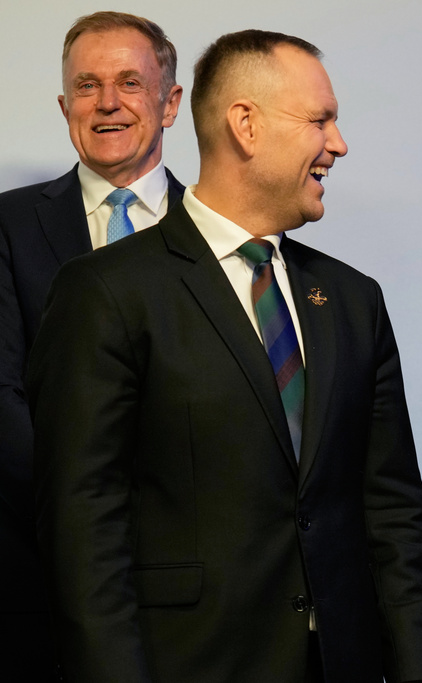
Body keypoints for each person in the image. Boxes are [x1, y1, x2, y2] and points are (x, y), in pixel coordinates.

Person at [27, 29, 422, 683]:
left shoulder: (354, 300)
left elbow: (391, 514)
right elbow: (85, 526)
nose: (337, 144)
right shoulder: (107, 290)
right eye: (320, 120)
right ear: (245, 125)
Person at [0, 11, 183, 679]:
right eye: (87, 85)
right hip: (40, 586)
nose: (107, 102)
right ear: (64, 105)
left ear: (170, 103)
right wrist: (90, 514)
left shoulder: (222, 235)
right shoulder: (9, 225)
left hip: (201, 594)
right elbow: (3, 398)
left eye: (130, 82)